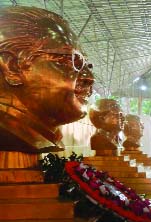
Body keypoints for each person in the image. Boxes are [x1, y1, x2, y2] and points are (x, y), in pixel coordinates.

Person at [0, 6, 94, 153]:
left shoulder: (44, 135)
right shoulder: (9, 135)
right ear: (13, 68)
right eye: (69, 61)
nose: (89, 77)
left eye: (86, 65)